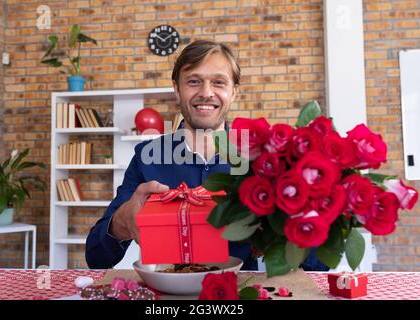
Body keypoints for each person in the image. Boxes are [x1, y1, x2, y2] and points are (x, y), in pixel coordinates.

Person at [85, 39, 328, 272]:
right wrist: (121, 222)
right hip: (166, 295)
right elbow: (96, 257)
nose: (206, 93)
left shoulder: (263, 160)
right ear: (177, 90)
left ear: (234, 92)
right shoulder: (147, 157)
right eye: (193, 81)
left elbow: (319, 266)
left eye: (219, 83)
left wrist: (295, 220)